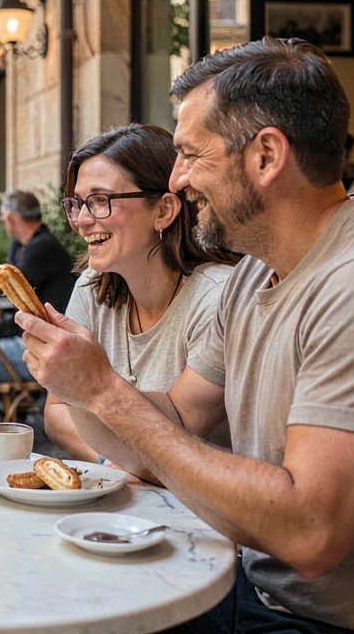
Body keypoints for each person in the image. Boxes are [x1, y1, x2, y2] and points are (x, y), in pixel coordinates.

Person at [18, 38, 354, 633]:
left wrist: (104, 392)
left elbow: (311, 531)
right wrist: (78, 382)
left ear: (265, 156)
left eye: (189, 155)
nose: (175, 182)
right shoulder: (256, 271)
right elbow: (177, 418)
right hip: (261, 595)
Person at [44, 125, 236, 463]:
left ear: (163, 211)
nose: (82, 221)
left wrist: (92, 388)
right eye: (77, 204)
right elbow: (57, 409)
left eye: (100, 201)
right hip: (123, 505)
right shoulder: (93, 286)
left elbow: (178, 434)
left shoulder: (217, 298)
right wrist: (111, 464)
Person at [0, 189, 78, 385]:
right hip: (35, 338)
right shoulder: (26, 244)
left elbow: (4, 287)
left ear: (11, 218)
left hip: (44, 345)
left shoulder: (41, 247)